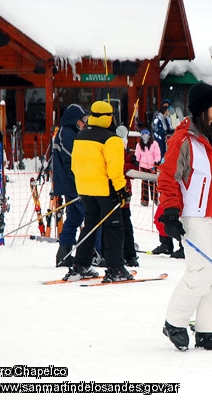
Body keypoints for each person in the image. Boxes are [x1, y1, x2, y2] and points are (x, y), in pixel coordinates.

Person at [158, 82, 212, 351]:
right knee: (200, 273)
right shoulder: (182, 140)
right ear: (203, 108)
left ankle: (210, 330)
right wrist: (169, 212)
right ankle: (174, 322)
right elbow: (168, 178)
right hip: (196, 216)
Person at [63, 100, 132, 282]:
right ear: (109, 117)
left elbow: (75, 165)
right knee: (114, 228)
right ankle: (115, 268)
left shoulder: (81, 136)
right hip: (106, 189)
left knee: (90, 225)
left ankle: (80, 265)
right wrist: (122, 191)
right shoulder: (112, 139)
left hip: (85, 189)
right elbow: (115, 170)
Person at [52, 104, 88, 268]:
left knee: (74, 218)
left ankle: (64, 253)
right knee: (90, 215)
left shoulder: (68, 133)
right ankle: (91, 252)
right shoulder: (67, 133)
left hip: (70, 184)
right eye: (83, 120)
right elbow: (72, 161)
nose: (84, 123)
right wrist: (80, 182)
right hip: (73, 185)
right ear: (75, 119)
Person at [134, 128, 161, 206]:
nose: (145, 137)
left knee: (153, 183)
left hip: (152, 166)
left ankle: (155, 199)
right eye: (143, 135)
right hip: (143, 166)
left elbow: (157, 153)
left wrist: (157, 160)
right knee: (144, 183)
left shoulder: (154, 143)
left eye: (146, 135)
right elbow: (137, 155)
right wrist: (136, 160)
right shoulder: (139, 145)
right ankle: (144, 200)